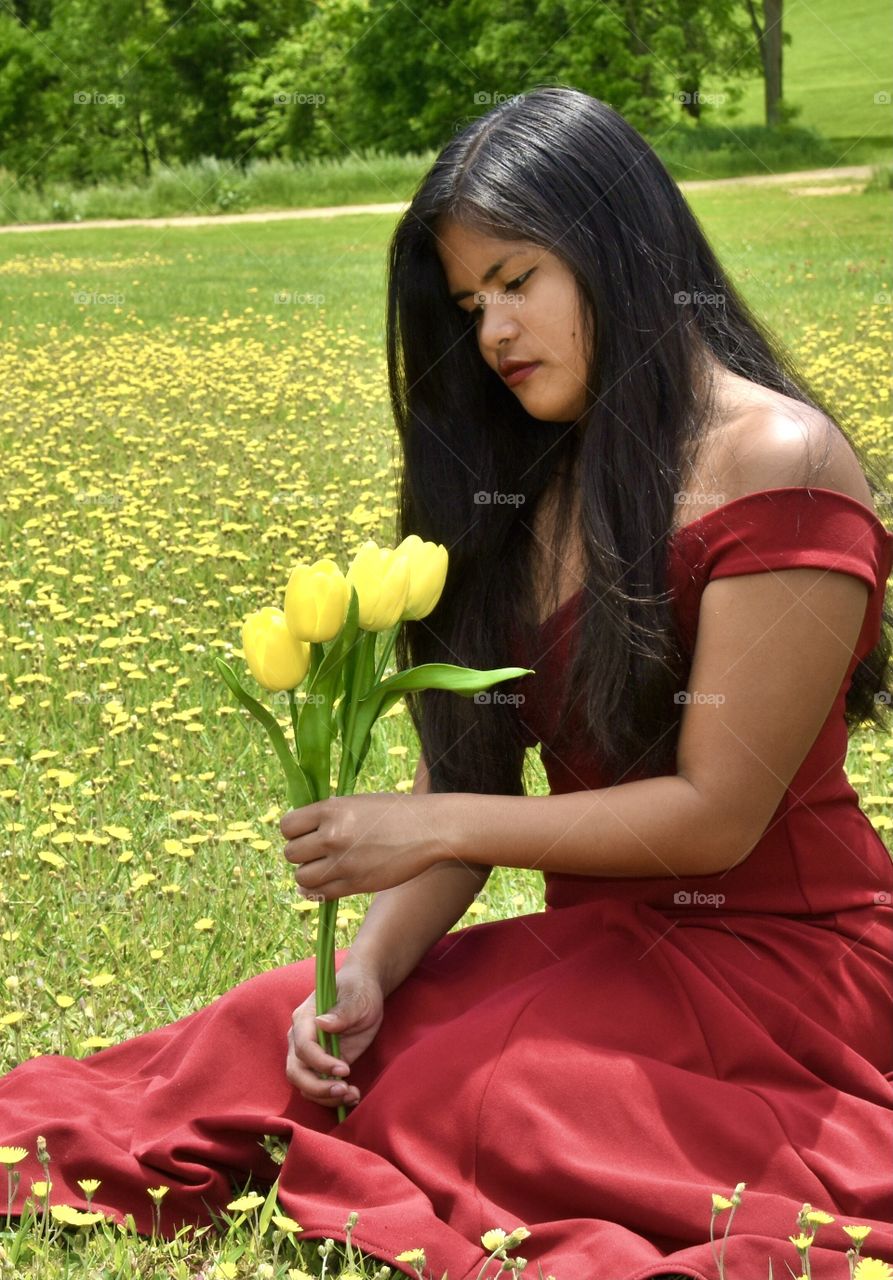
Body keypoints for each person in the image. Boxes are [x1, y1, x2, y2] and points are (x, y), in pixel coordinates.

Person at [1, 85, 891, 1280]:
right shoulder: (528, 484)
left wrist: (426, 821)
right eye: (470, 303)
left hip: (784, 969)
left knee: (490, 1096)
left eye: (518, 279)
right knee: (279, 1030)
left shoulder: (775, 459)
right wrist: (368, 965)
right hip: (609, 953)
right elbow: (465, 786)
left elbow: (716, 819)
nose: (491, 333)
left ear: (620, 248)